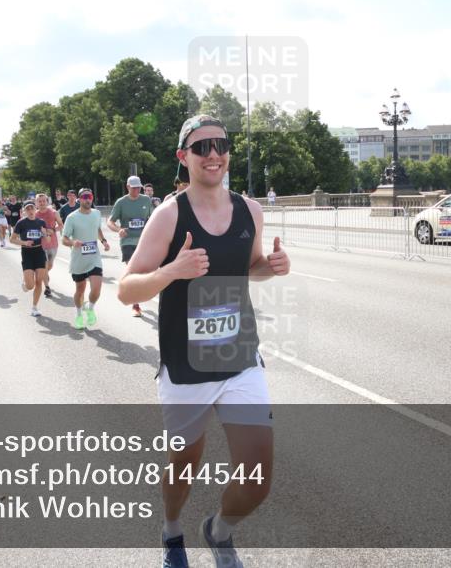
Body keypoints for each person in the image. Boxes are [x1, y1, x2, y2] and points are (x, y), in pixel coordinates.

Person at [117, 114, 290, 567]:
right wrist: (173, 270)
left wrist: (267, 268)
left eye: (220, 144)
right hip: (187, 366)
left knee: (258, 478)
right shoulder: (169, 214)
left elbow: (247, 269)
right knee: (184, 465)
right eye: (201, 147)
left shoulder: (250, 209)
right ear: (184, 157)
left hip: (239, 358)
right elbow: (125, 289)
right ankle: (172, 530)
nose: (213, 154)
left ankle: (218, 530)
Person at [61, 189, 110, 329]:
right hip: (79, 259)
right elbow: (64, 239)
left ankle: (91, 308)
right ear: (79, 199)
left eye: (90, 197)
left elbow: (98, 229)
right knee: (80, 290)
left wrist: (104, 241)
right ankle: (78, 314)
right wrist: (73, 243)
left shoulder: (96, 213)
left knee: (96, 288)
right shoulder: (72, 217)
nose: (87, 200)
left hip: (94, 257)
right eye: (84, 197)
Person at [107, 175, 155, 317]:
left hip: (144, 240)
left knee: (143, 272)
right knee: (134, 271)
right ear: (128, 187)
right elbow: (110, 221)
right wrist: (118, 230)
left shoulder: (146, 200)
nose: (136, 190)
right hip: (128, 241)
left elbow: (152, 218)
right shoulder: (121, 202)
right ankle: (135, 305)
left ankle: (129, 285)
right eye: (133, 188)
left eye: (138, 188)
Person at [11, 202, 54, 317]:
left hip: (39, 252)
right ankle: (26, 284)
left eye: (32, 208)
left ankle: (34, 307)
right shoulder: (21, 223)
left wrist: (45, 234)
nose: (30, 211)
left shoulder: (41, 222)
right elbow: (12, 239)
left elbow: (49, 241)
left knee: (39, 282)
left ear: (35, 210)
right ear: (24, 211)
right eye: (27, 209)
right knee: (30, 286)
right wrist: (24, 242)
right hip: (27, 253)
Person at [34, 193, 64, 297]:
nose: (42, 203)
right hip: (40, 245)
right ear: (36, 203)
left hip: (53, 244)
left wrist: (53, 230)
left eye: (43, 201)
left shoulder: (54, 213)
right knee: (44, 266)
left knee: (49, 265)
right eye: (39, 201)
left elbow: (61, 225)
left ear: (47, 202)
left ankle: (44, 274)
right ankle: (47, 287)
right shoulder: (34, 214)